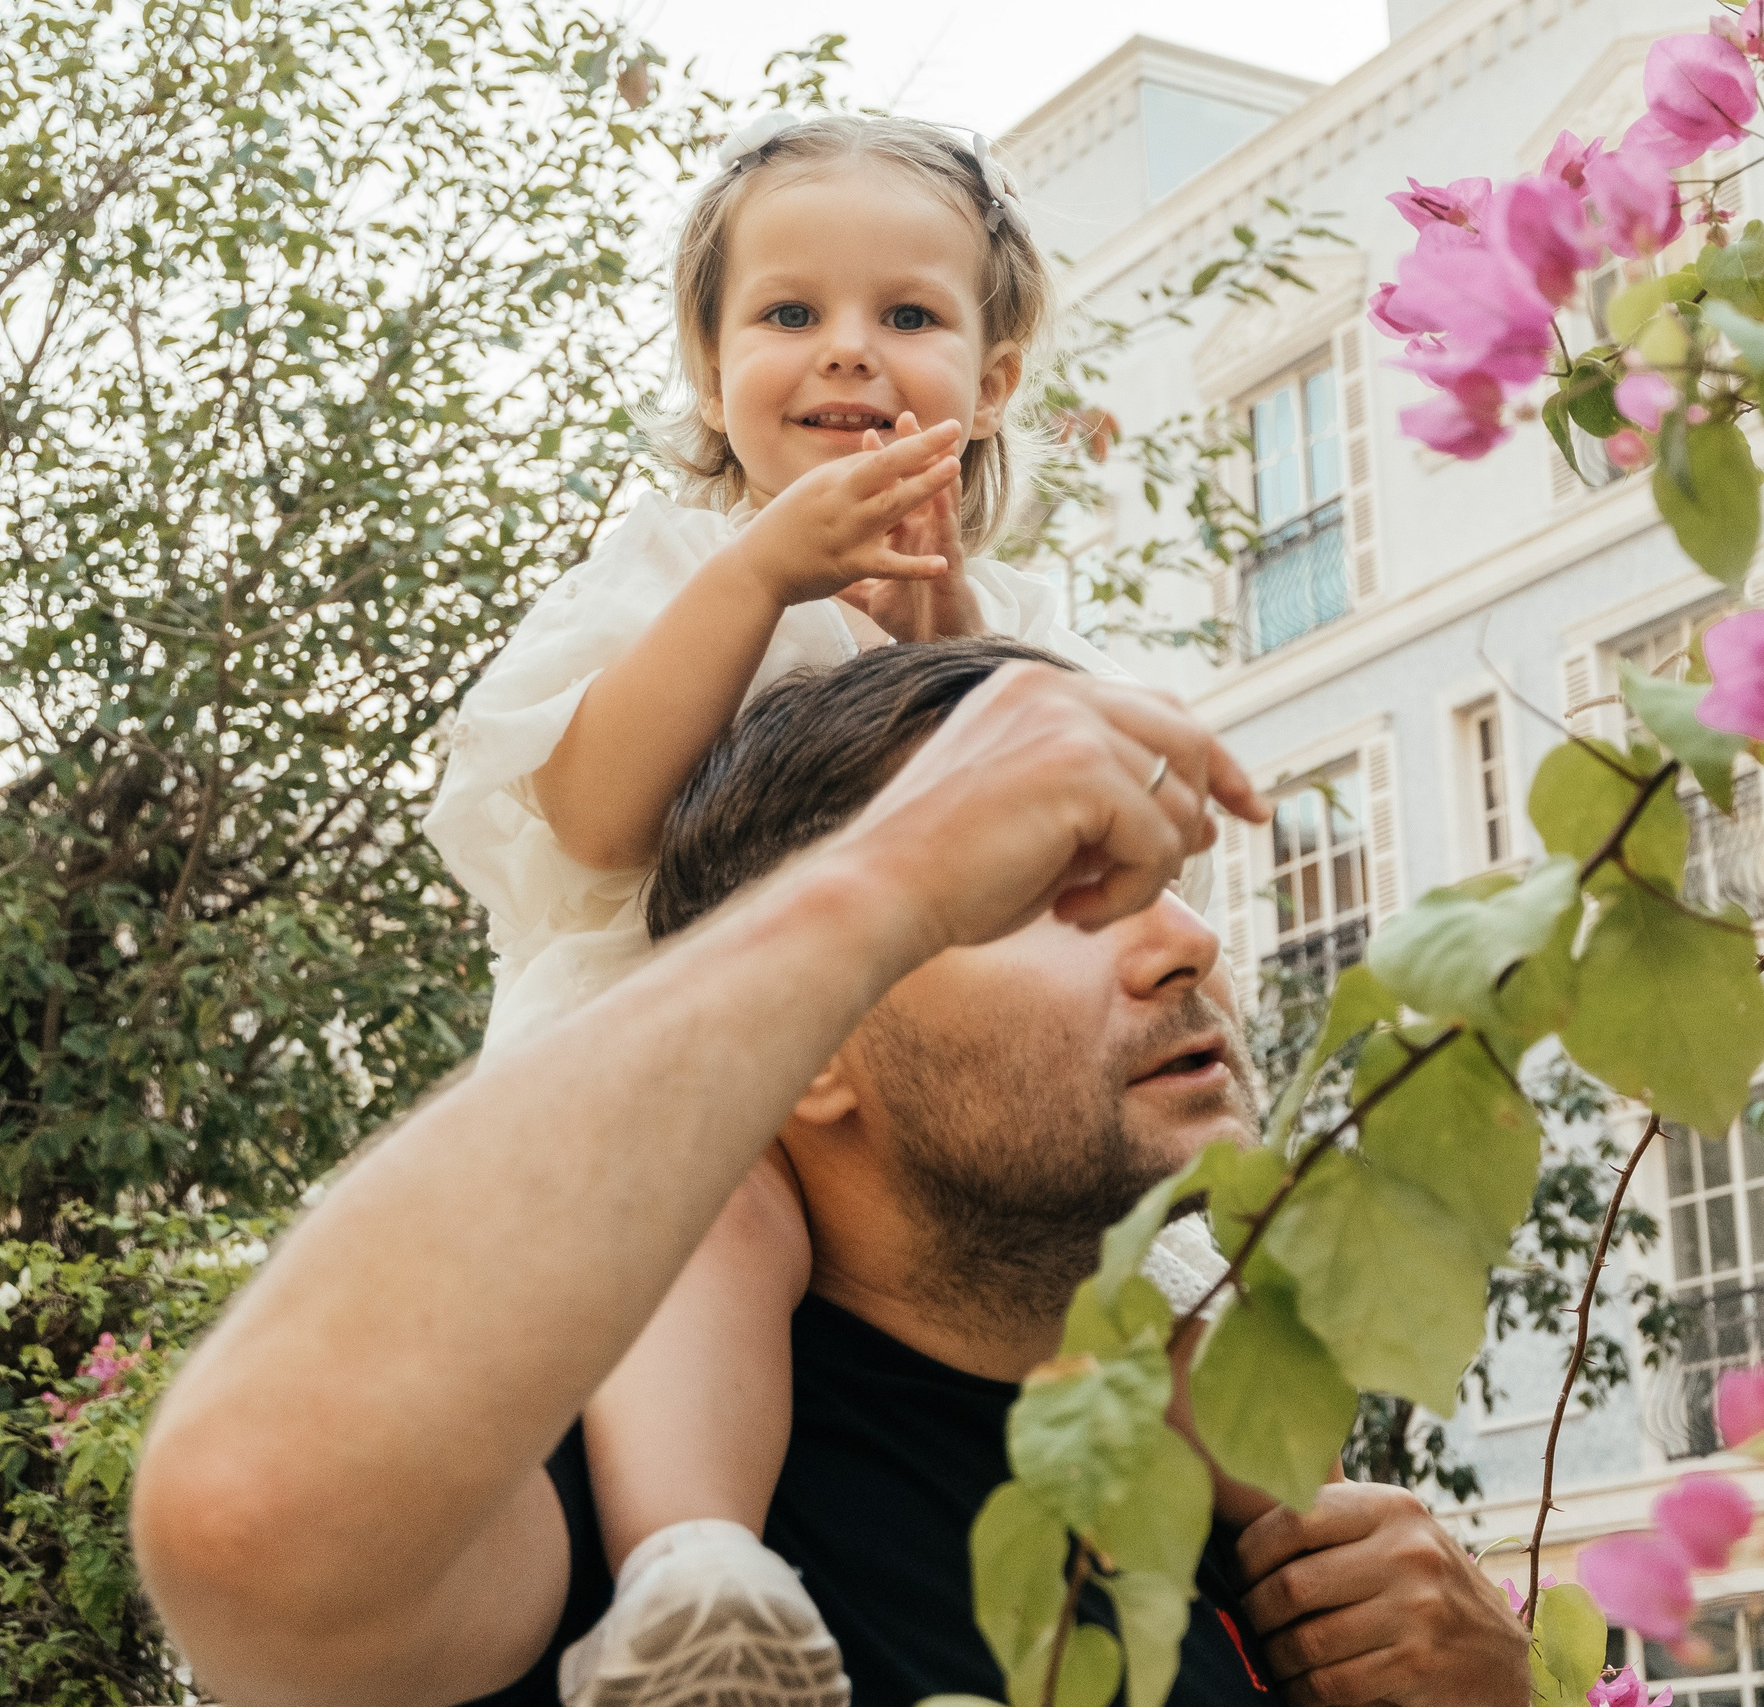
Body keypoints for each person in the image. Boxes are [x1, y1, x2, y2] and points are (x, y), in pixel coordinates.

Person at [132, 641, 1535, 1707]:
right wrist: (881, 881)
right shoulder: (639, 1515)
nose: (1183, 949)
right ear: (810, 1044)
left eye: (1162, 878)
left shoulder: (1257, 1522)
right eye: (1048, 890)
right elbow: (241, 1515)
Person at [417, 112, 1227, 1705]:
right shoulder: (671, 570)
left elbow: (1088, 823)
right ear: (713, 373)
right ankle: (697, 1576)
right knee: (706, 1222)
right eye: (789, 315)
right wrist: (756, 582)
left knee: (1176, 1287)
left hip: (926, 1086)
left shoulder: (1025, 615)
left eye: (908, 316)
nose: (847, 353)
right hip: (682, 1049)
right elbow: (588, 813)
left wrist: (958, 639)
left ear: (993, 382)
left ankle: (1262, 1559)